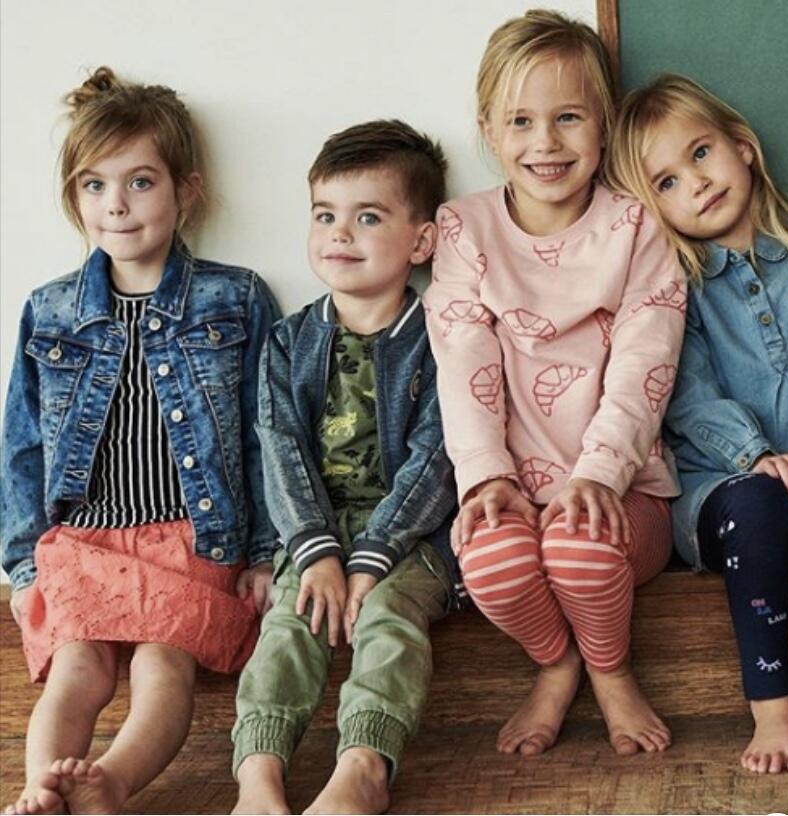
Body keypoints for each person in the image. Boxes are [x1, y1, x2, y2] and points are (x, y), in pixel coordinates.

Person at [0, 67, 280, 815]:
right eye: (94, 185)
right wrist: (23, 563)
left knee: (164, 666)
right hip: (84, 541)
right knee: (78, 666)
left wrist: (263, 551)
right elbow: (21, 444)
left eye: (140, 182)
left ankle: (110, 784)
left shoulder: (235, 298)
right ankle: (42, 788)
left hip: (193, 537)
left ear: (187, 189)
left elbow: (265, 433)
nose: (115, 205)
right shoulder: (49, 310)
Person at [424, 9, 686, 758]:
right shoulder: (464, 228)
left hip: (625, 488)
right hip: (510, 485)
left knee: (579, 550)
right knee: (490, 562)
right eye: (521, 121)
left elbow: (644, 363)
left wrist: (598, 475)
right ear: (488, 129)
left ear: (604, 124)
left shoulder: (634, 226)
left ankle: (608, 669)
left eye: (568, 117)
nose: (545, 142)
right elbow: (463, 360)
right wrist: (485, 477)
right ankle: (555, 662)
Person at [231, 119, 459, 815]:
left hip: (410, 539)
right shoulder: (288, 341)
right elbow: (280, 449)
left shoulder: (443, 338)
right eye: (325, 215)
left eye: (368, 217)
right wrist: (317, 551)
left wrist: (372, 556)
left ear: (421, 241)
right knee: (289, 620)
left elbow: (438, 458)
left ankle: (364, 765)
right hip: (314, 533)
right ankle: (259, 773)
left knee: (387, 617)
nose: (340, 234)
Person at [609, 73, 788, 775]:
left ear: (742, 146)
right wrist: (754, 453)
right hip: (719, 489)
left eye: (700, 154)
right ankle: (770, 707)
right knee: (759, 504)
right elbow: (684, 394)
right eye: (666, 182)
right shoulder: (675, 287)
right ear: (653, 210)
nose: (695, 183)